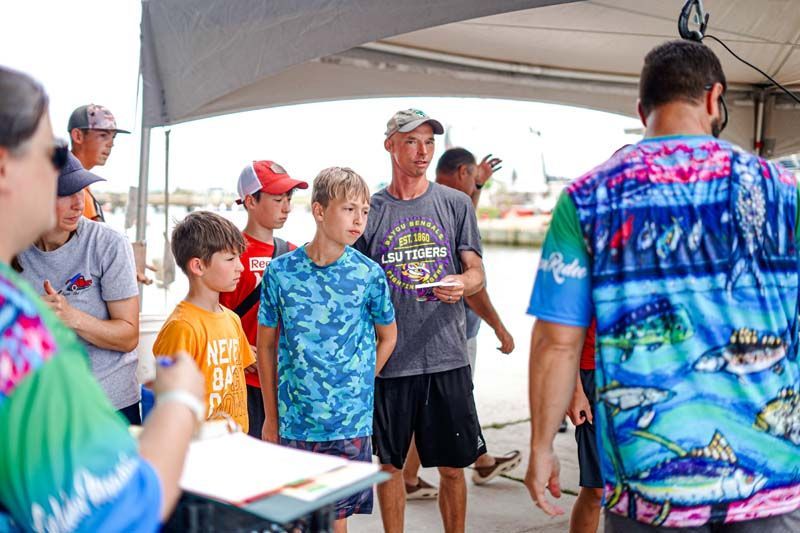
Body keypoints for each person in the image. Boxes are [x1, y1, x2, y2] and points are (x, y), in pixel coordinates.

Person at [525, 40, 800, 531]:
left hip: (646, 488)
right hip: (770, 478)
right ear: (715, 100)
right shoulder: (782, 191)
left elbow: (556, 343)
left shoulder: (587, 198)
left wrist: (542, 444)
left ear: (641, 110)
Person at [0, 65, 204, 532]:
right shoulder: (18, 332)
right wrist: (180, 404)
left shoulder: (100, 244)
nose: (67, 179)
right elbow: (115, 513)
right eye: (53, 153)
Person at [355, 109, 486, 533]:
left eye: (429, 142)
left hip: (447, 356)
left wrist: (463, 283)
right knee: (390, 465)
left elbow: (477, 271)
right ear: (390, 144)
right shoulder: (369, 210)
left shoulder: (456, 203)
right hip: (390, 360)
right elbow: (350, 281)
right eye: (412, 141)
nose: (423, 151)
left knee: (453, 467)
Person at [258, 167, 397, 532]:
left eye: (365, 211)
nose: (359, 220)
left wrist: (362, 378)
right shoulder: (279, 272)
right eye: (349, 209)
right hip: (294, 421)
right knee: (294, 520)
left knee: (336, 522)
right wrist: (271, 418)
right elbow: (266, 346)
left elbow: (390, 336)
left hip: (348, 423)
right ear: (319, 211)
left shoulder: (369, 275)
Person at [402, 147, 517, 499]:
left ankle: (477, 459)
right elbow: (470, 285)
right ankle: (460, 464)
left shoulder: (446, 206)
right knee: (446, 407)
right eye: (471, 178)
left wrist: (478, 184)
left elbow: (467, 217)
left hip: (438, 333)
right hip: (448, 335)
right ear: (460, 172)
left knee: (438, 406)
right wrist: (499, 325)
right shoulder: (440, 209)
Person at [17, 152, 142, 424]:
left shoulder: (109, 244)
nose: (78, 203)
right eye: (65, 193)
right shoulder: (13, 247)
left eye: (82, 190)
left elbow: (129, 336)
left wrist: (70, 317)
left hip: (108, 405)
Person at [219, 160, 307, 439]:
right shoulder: (227, 254)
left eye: (290, 198)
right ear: (250, 201)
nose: (287, 207)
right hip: (243, 383)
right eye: (278, 198)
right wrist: (240, 349)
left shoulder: (295, 254)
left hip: (288, 382)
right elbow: (210, 312)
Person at [153, 211, 255, 432]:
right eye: (230, 259)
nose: (241, 267)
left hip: (235, 440)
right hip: (198, 447)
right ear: (198, 266)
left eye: (239, 258)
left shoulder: (232, 319)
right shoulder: (182, 327)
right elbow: (168, 402)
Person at [565, 320, 602, 533]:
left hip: (654, 371)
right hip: (593, 371)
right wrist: (573, 387)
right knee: (596, 488)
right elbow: (563, 327)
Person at [67, 104, 129, 222]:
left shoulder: (79, 180)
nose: (111, 144)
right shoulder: (68, 184)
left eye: (113, 137)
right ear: (78, 136)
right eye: (103, 135)